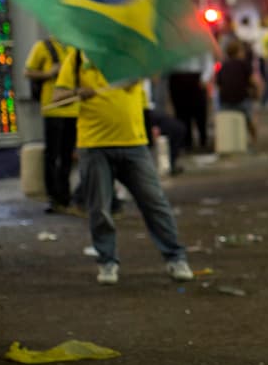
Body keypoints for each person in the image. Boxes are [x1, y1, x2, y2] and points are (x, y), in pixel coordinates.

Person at [53, 49, 194, 286]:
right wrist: (78, 92)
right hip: (94, 144)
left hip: (133, 143)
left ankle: (176, 257)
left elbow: (152, 76)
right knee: (99, 208)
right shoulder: (77, 57)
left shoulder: (131, 54)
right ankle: (107, 261)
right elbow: (58, 95)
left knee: (155, 203)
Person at [24, 35, 79, 214]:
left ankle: (65, 196)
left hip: (74, 109)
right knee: (52, 155)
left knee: (67, 155)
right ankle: (53, 198)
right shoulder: (43, 46)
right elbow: (28, 72)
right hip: (52, 109)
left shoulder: (75, 47)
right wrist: (48, 74)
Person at [215, 38, 264, 147]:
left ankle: (224, 142)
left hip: (225, 101)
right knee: (251, 120)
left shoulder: (223, 66)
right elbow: (255, 82)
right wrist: (258, 95)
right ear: (238, 52)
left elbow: (218, 84)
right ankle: (254, 141)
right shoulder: (244, 65)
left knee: (223, 123)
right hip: (242, 100)